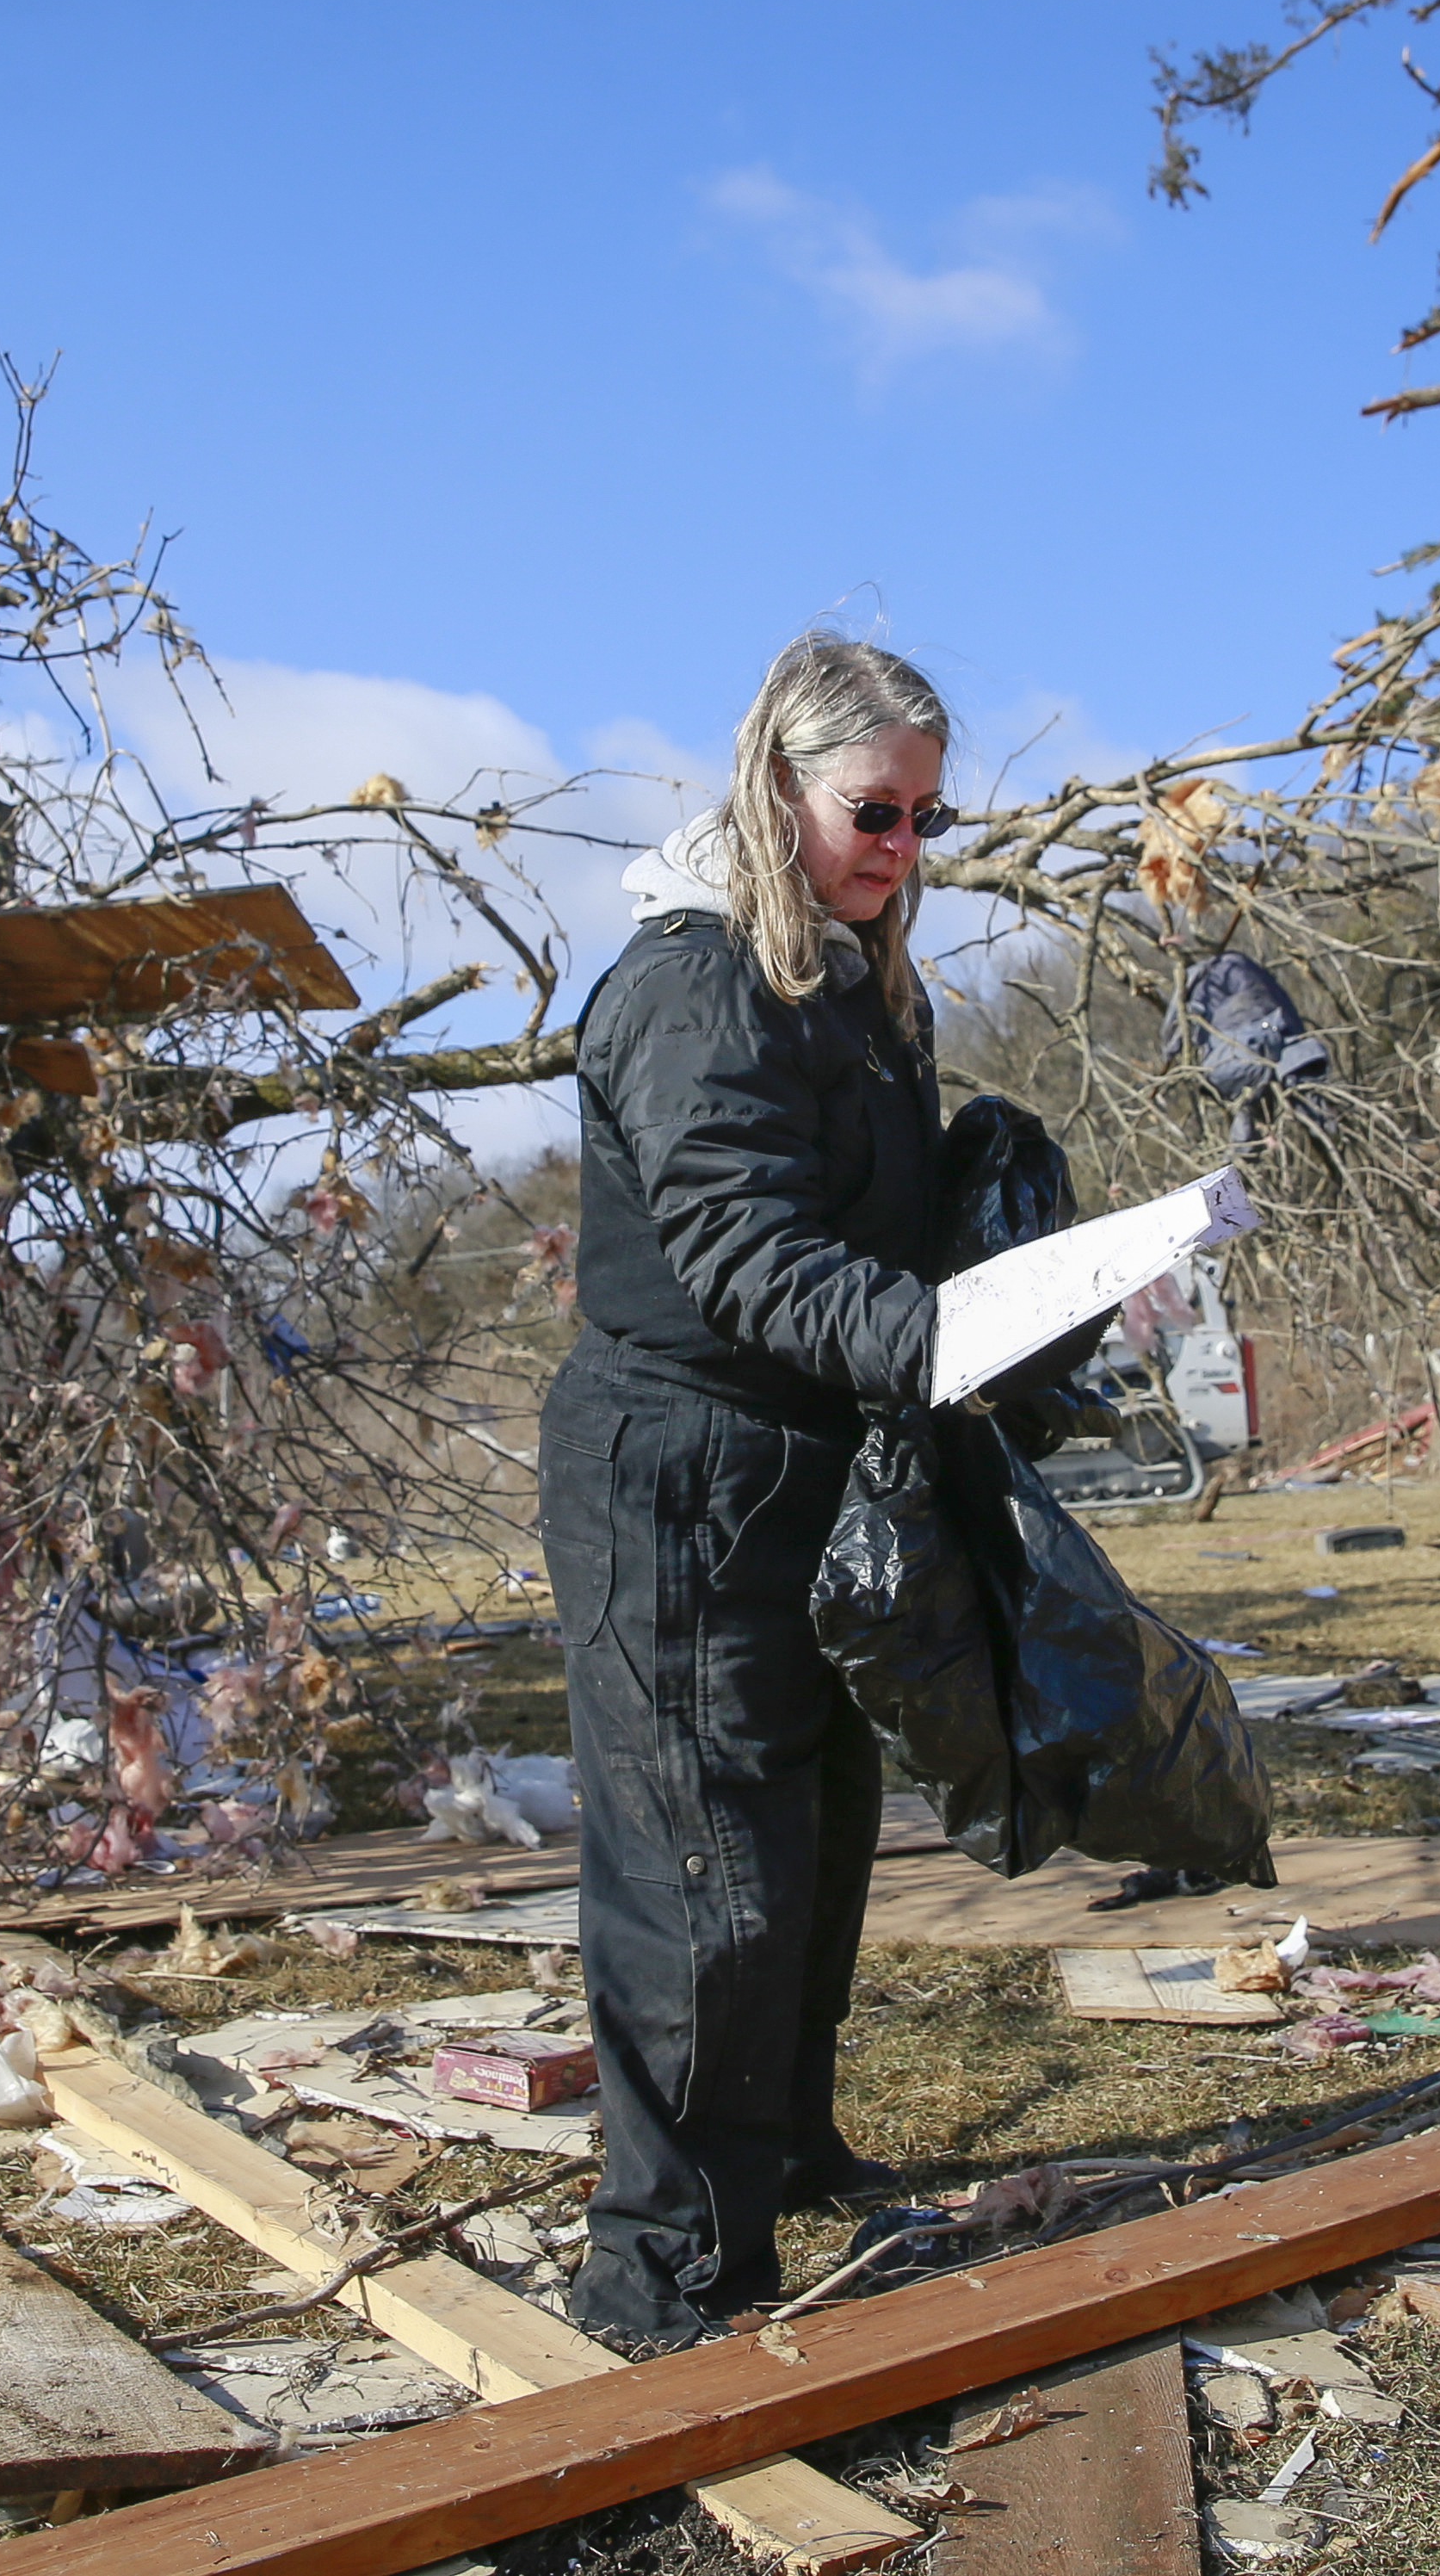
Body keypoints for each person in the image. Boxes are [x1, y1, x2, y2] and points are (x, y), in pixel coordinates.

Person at [537, 629, 961, 2346]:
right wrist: (940, 1343)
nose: (903, 849)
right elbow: (743, 1247)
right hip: (676, 1468)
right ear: (778, 782)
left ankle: (776, 2158)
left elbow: (864, 1208)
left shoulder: (851, 981)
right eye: (877, 809)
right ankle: (664, 2273)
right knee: (700, 1863)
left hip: (801, 1463)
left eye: (931, 820)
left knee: (814, 1834)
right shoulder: (691, 981)